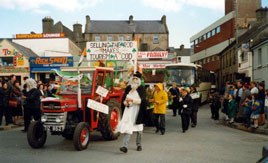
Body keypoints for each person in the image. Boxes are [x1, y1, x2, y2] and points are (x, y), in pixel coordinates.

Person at [116, 72, 146, 153]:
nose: (135, 80)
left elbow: (142, 101)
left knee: (139, 129)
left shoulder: (141, 88)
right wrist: (126, 103)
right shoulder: (128, 88)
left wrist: (132, 100)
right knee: (127, 128)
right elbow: (123, 100)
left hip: (137, 111)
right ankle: (124, 146)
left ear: (139, 80)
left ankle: (139, 144)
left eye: (136, 79)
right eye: (133, 79)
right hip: (129, 111)